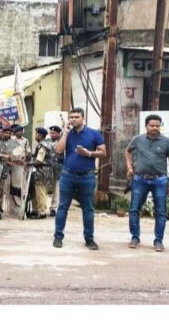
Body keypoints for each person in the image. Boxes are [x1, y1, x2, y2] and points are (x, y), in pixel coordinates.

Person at [52, 107, 106, 250]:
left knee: (88, 209)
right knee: (63, 207)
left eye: (76, 117)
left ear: (83, 118)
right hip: (68, 175)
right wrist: (64, 133)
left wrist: (88, 153)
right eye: (71, 117)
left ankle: (89, 239)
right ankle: (58, 237)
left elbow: (103, 153)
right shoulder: (67, 134)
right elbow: (59, 150)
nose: (73, 119)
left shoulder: (94, 134)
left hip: (87, 176)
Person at [124, 114, 169, 252]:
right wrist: (129, 167)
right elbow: (127, 152)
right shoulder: (138, 139)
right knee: (134, 209)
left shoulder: (167, 142)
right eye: (152, 125)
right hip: (140, 180)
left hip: (160, 181)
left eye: (157, 126)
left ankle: (158, 241)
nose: (154, 128)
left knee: (161, 212)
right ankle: (135, 237)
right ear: (146, 126)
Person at [30, 127, 54, 219]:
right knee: (39, 192)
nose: (35, 136)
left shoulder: (42, 145)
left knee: (41, 192)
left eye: (36, 134)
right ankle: (37, 210)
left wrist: (28, 164)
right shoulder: (46, 144)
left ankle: (42, 212)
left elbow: (39, 161)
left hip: (41, 172)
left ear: (41, 135)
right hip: (46, 172)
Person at [48, 125, 64, 217]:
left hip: (59, 169)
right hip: (49, 170)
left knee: (57, 189)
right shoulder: (48, 142)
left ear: (58, 133)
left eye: (53, 133)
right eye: (50, 133)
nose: (51, 135)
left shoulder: (62, 142)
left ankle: (54, 208)